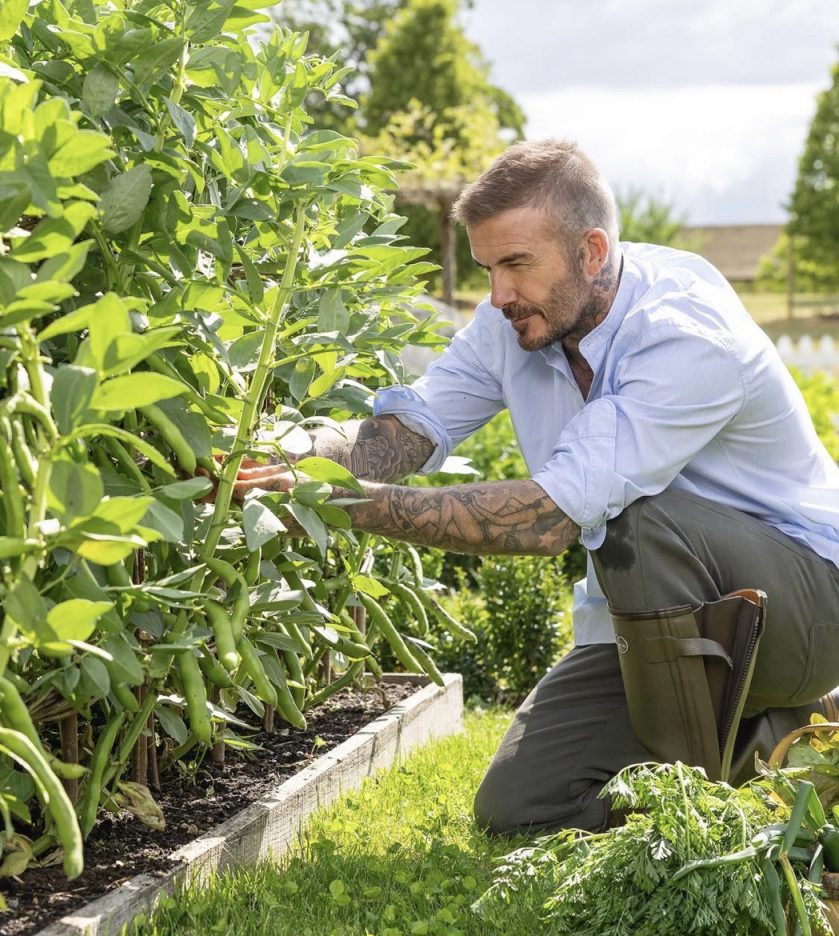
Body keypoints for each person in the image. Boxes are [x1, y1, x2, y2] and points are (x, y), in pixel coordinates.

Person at [235, 139, 839, 835]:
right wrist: (289, 456)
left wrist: (344, 505)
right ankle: (774, 738)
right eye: (488, 267)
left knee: (636, 520)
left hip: (808, 600)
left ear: (590, 251)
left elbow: (552, 518)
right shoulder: (516, 320)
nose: (497, 295)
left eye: (516, 264)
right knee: (518, 808)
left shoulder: (682, 333)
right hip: (654, 619)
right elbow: (410, 431)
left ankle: (697, 819)